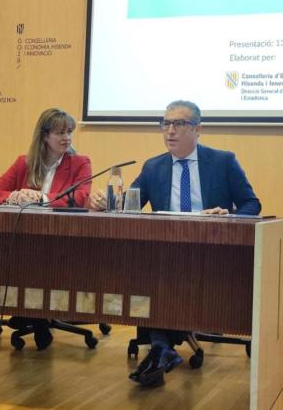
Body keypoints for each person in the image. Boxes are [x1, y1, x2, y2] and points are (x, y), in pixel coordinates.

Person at [88, 100, 260, 385]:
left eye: (178, 124)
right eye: (165, 124)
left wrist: (228, 217)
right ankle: (161, 349)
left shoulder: (223, 161)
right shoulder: (153, 167)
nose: (170, 131)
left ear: (198, 129)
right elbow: (128, 204)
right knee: (150, 269)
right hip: (167, 251)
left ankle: (160, 349)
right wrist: (105, 201)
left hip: (211, 250)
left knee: (164, 275)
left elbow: (251, 203)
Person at [0, 108, 93, 349]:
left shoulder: (80, 163)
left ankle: (35, 314)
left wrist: (42, 198)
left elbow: (81, 198)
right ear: (44, 135)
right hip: (24, 237)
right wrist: (15, 196)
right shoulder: (24, 163)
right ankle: (31, 312)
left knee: (40, 260)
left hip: (62, 238)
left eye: (69, 132)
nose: (67, 138)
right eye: (60, 133)